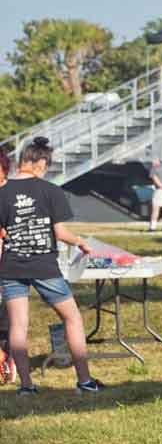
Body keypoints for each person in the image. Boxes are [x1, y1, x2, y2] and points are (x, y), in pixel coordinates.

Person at [0, 137, 106, 396]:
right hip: (44, 267)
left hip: (12, 266)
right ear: (40, 163)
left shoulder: (2, 192)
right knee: (72, 318)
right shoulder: (51, 190)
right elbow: (60, 232)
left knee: (18, 326)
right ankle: (84, 381)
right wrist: (80, 242)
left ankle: (26, 386)